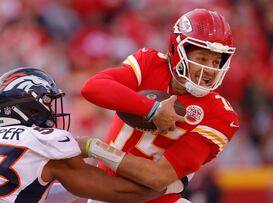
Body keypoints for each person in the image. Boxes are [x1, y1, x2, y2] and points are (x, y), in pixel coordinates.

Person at [80, 8, 239, 203]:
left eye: (216, 62)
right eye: (201, 59)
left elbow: (157, 177)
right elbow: (92, 88)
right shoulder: (150, 63)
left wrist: (94, 147)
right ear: (177, 51)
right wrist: (152, 110)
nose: (210, 69)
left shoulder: (221, 114)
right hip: (106, 196)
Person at [0, 67, 168, 203]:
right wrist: (167, 184)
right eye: (47, 103)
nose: (53, 111)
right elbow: (121, 193)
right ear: (28, 107)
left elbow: (31, 189)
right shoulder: (44, 142)